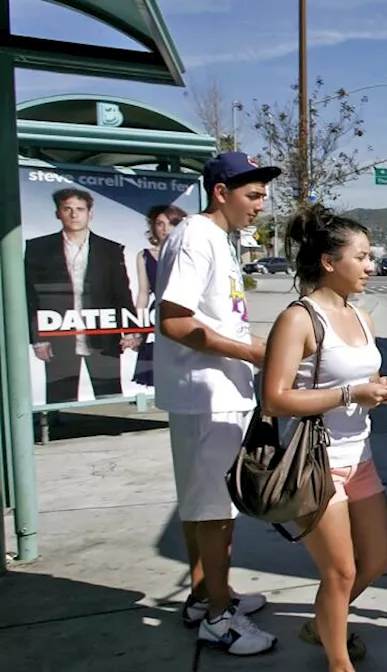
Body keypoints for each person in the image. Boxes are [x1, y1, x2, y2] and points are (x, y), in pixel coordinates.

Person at [261, 204, 387, 672]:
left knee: (378, 558)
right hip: (315, 463)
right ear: (328, 261)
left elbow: (366, 378)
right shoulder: (298, 319)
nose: (370, 266)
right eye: (360, 257)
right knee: (339, 572)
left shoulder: (363, 317)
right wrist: (350, 392)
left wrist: (379, 391)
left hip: (360, 455)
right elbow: (275, 400)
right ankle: (338, 662)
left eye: (370, 256)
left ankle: (325, 621)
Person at [153, 151, 280, 656]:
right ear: (220, 192)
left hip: (212, 391)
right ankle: (219, 619)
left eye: (263, 197)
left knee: (201, 503)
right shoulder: (196, 238)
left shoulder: (218, 238)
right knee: (215, 509)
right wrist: (253, 351)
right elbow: (176, 321)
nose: (260, 206)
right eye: (252, 196)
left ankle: (208, 593)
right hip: (206, 394)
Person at [25, 187, 140, 404]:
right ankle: (58, 434)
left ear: (90, 213)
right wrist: (38, 339)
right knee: (60, 395)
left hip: (103, 331)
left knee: (109, 392)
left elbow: (121, 293)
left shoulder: (110, 249)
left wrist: (132, 330)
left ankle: (112, 429)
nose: (74, 214)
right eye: (67, 209)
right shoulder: (38, 248)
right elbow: (31, 297)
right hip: (58, 331)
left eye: (80, 209)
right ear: (58, 213)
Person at [132, 204, 186, 388]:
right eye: (160, 223)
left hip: (185, 312)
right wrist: (137, 327)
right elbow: (143, 293)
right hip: (158, 314)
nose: (165, 229)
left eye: (171, 223)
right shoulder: (144, 256)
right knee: (158, 372)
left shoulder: (186, 253)